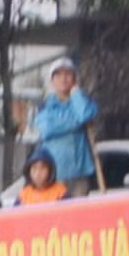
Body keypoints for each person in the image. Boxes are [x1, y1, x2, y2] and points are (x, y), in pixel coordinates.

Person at [30, 58, 98, 196]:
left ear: (74, 79)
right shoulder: (44, 105)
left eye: (68, 75)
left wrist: (76, 95)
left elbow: (86, 114)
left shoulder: (82, 101)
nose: (63, 79)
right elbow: (46, 129)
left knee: (78, 214)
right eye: (58, 75)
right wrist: (77, 121)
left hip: (80, 173)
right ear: (52, 80)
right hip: (55, 173)